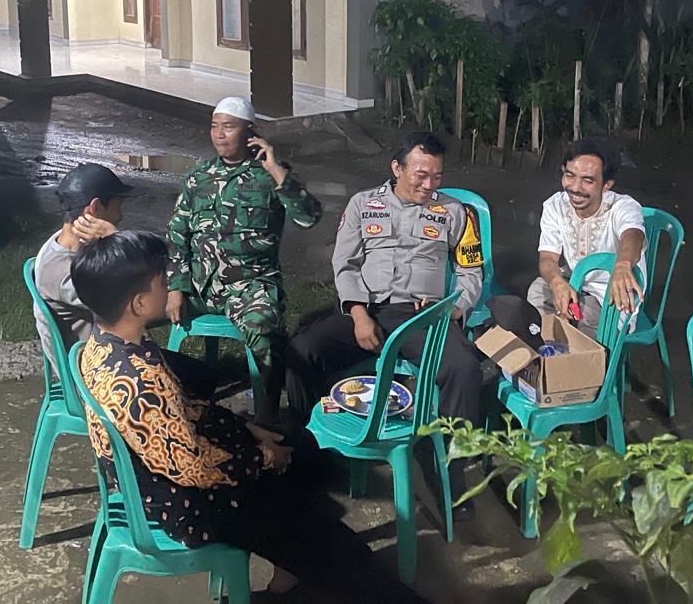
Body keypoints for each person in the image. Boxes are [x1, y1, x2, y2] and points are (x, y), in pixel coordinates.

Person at [72, 231, 426, 604]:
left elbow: (181, 413)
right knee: (343, 552)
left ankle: (293, 560)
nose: (170, 283)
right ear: (140, 303)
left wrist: (248, 429)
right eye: (162, 279)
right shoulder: (139, 382)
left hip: (178, 472)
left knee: (303, 450)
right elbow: (194, 468)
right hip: (193, 503)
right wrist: (262, 457)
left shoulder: (105, 345)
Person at [285, 131, 484, 514]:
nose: (429, 185)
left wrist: (455, 308)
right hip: (368, 311)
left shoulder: (456, 212)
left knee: (463, 367)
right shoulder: (363, 204)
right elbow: (345, 264)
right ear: (397, 168)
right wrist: (358, 314)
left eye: (437, 176)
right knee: (302, 351)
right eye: (421, 175)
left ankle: (448, 474)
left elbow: (470, 269)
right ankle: (311, 454)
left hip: (422, 317)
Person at [166, 97, 321, 425]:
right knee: (134, 311)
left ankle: (267, 414)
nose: (219, 134)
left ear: (251, 132)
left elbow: (309, 218)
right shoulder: (198, 177)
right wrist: (176, 287)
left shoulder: (270, 176)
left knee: (264, 328)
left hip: (250, 285)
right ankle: (167, 398)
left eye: (228, 127)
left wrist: (275, 169)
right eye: (214, 126)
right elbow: (178, 235)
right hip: (200, 285)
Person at [32, 162, 217, 398]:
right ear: (95, 208)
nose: (120, 215)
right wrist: (115, 238)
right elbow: (133, 300)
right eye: (117, 206)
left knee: (203, 375)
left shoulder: (66, 246)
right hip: (100, 377)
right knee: (201, 382)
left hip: (108, 356)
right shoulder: (63, 273)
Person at [526, 138, 647, 332]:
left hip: (609, 294)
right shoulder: (555, 205)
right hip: (573, 281)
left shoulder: (623, 206)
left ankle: (561, 345)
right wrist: (556, 283)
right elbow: (548, 258)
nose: (575, 188)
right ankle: (549, 344)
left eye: (588, 180)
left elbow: (633, 235)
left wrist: (623, 264)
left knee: (577, 330)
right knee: (538, 290)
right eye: (570, 175)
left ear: (606, 185)